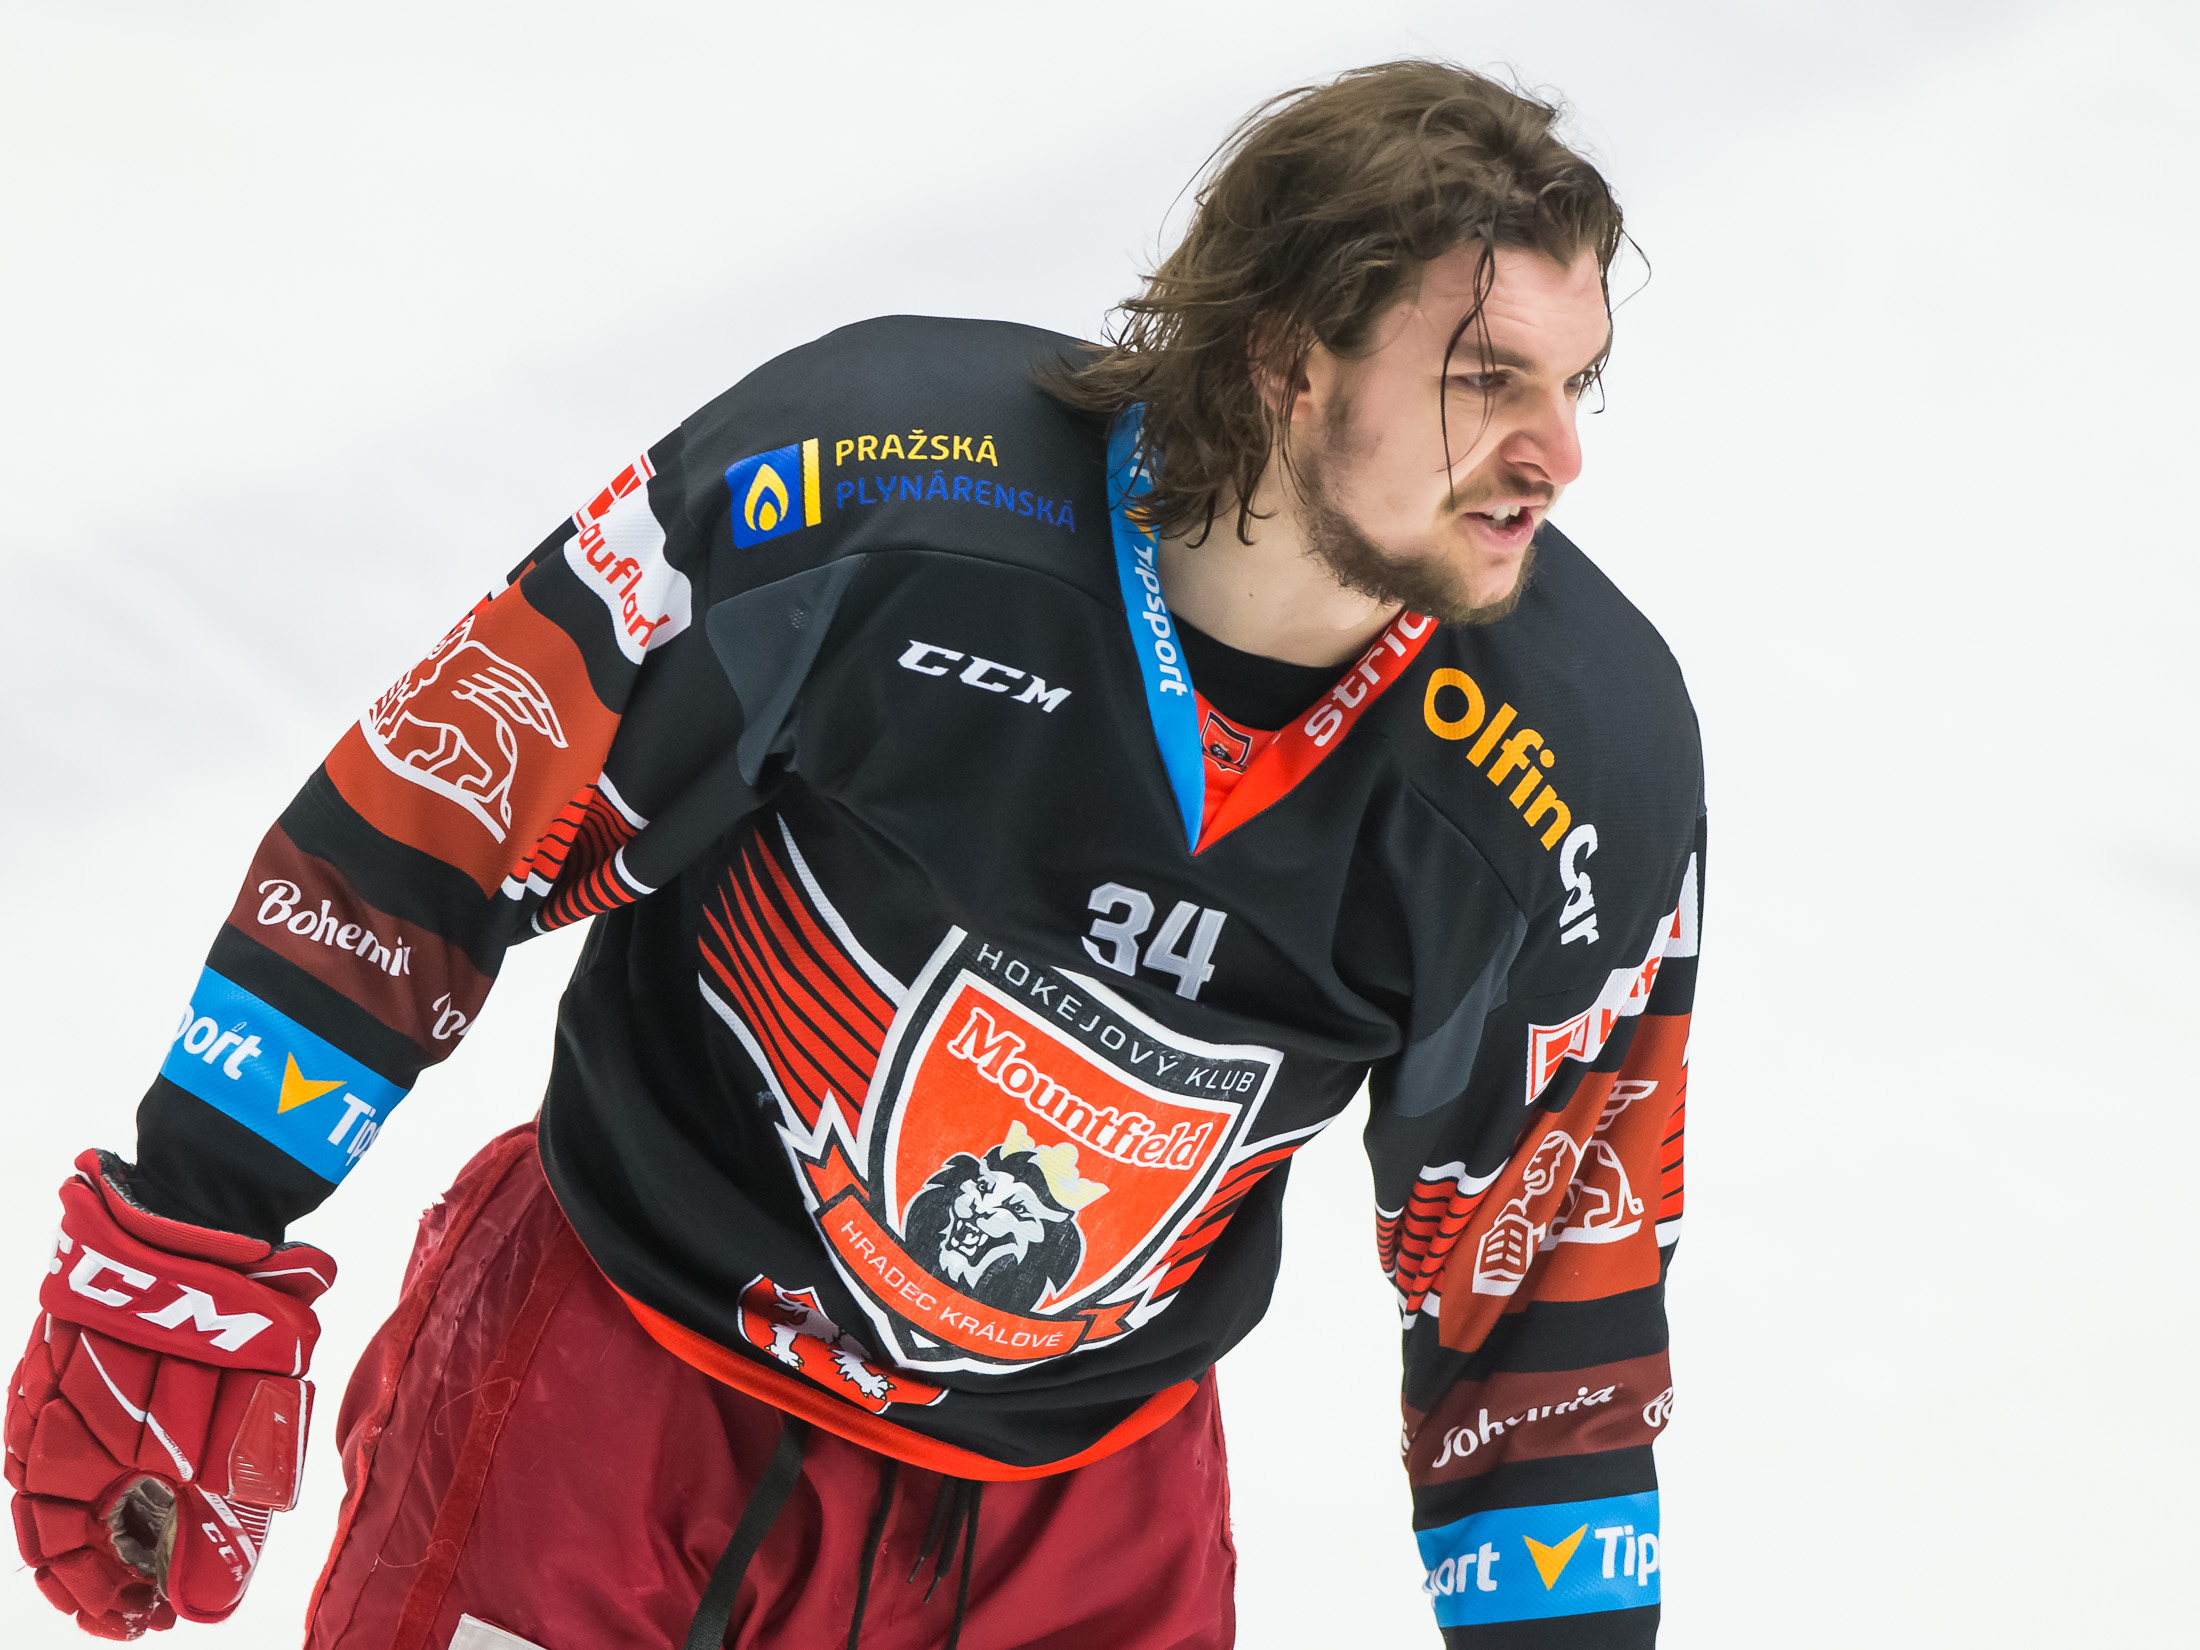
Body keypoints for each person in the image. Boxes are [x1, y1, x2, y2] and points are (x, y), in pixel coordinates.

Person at [5, 59, 1704, 1650]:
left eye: (1576, 385)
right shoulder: (875, 485)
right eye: (1486, 380)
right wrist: (189, 1233)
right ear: (1288, 361)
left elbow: (1543, 1277)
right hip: (619, 1407)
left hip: (1078, 1520)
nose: (1557, 455)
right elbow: (452, 818)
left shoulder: (1576, 773)